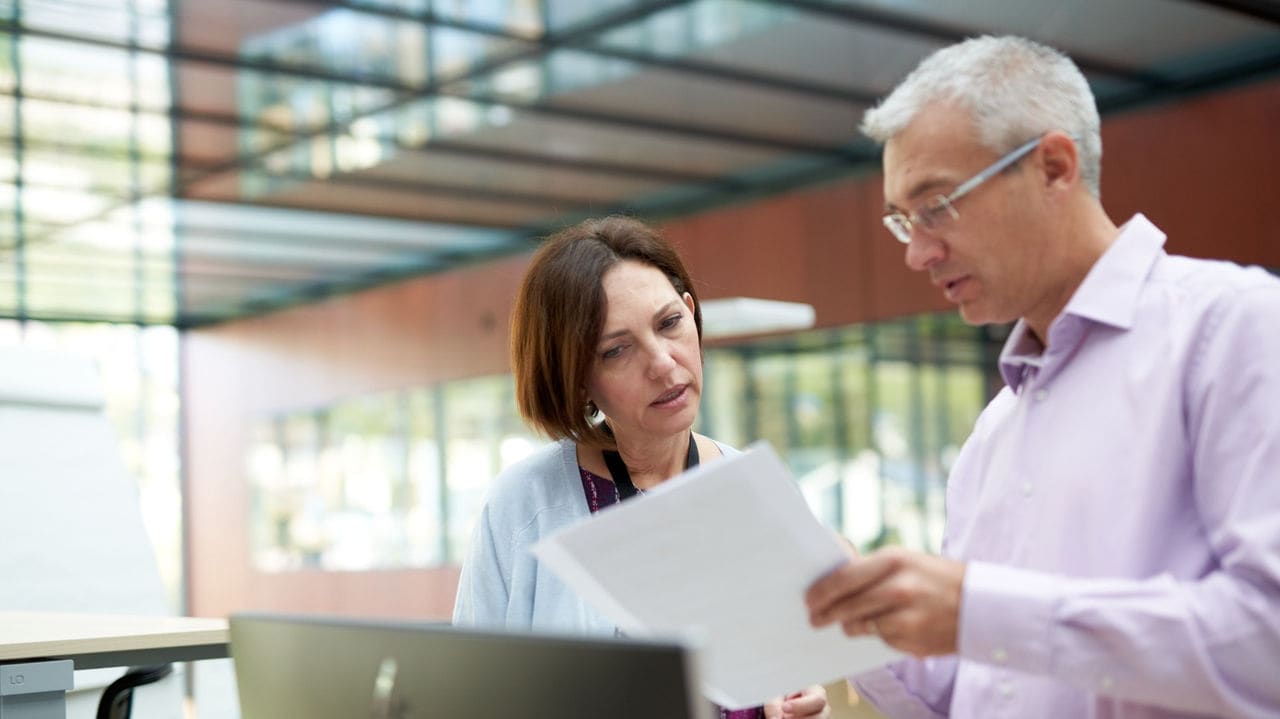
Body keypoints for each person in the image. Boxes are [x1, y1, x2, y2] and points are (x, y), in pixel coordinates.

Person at [804, 35, 1280, 718]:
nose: (916, 252)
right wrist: (858, 616)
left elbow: (1268, 638)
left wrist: (981, 610)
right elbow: (967, 690)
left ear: (1053, 167)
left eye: (935, 205)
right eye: (901, 220)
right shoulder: (995, 430)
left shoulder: (1235, 328)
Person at [454, 216, 829, 719]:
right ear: (577, 377)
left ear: (691, 314)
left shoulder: (760, 491)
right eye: (616, 350)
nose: (663, 363)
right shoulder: (525, 505)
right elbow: (467, 698)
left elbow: (794, 678)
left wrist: (805, 707)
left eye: (669, 323)